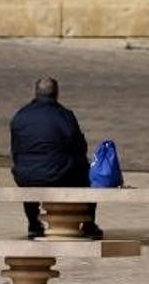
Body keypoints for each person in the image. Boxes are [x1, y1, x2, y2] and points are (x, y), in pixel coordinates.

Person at [9, 77, 102, 240]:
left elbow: (16, 149)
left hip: (25, 176)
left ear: (36, 93)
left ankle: (33, 223)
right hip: (59, 176)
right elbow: (80, 148)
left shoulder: (20, 116)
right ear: (56, 94)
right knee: (87, 171)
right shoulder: (64, 116)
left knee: (30, 170)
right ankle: (88, 223)